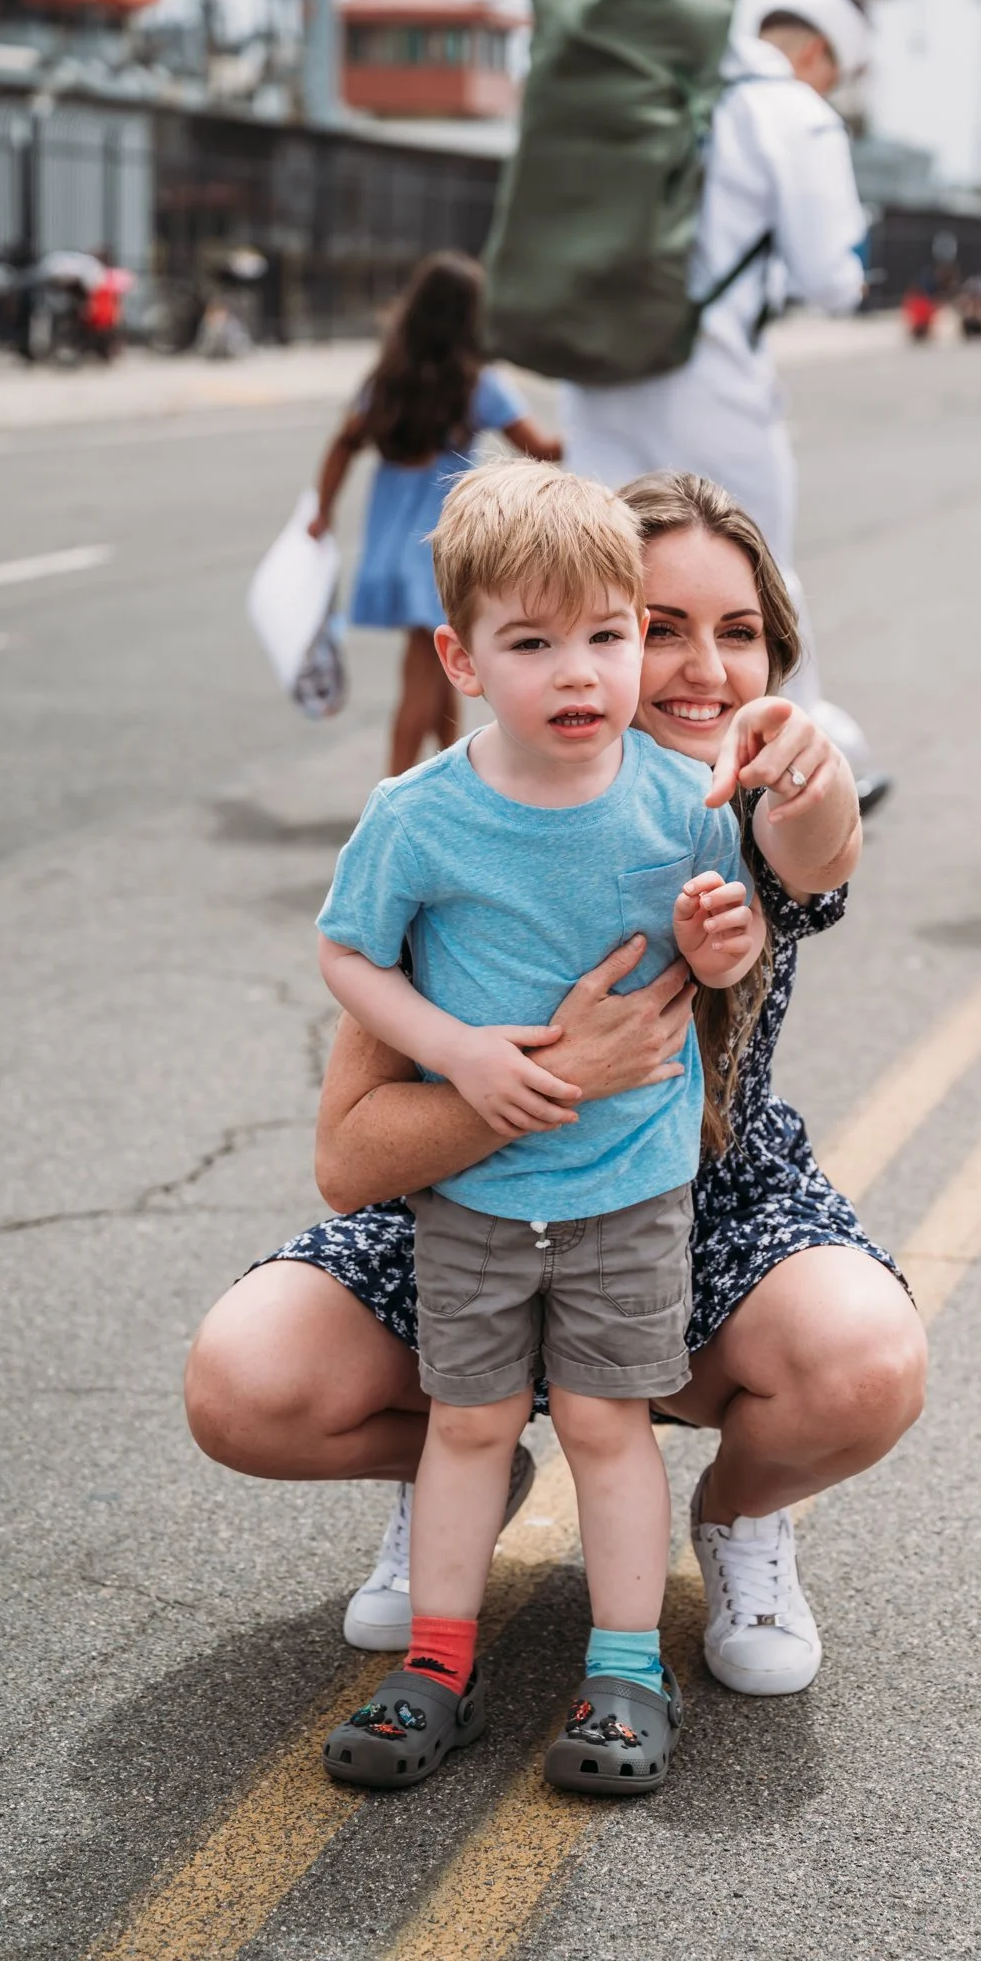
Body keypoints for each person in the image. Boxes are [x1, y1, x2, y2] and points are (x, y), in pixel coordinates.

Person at [184, 471, 926, 1718]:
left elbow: (821, 851)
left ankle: (740, 1520)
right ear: (491, 647)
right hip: (467, 1193)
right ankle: (454, 1476)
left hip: (685, 1203)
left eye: (737, 633)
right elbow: (355, 1157)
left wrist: (815, 772)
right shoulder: (450, 823)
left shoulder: (724, 805)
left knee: (862, 1360)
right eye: (659, 619)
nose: (697, 667)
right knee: (243, 1384)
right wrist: (558, 1075)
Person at [312, 464, 761, 1795]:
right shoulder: (419, 816)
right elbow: (349, 955)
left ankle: (625, 1672)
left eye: (608, 637)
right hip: (478, 1198)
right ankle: (436, 1667)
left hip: (629, 1188)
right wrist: (451, 1052)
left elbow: (721, 949)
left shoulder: (682, 799)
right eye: (533, 643)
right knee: (466, 1424)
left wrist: (719, 940)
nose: (581, 673)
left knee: (608, 1424)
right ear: (460, 658)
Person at [559, 0, 889, 813]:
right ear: (817, 55)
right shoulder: (793, 111)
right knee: (757, 566)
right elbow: (830, 279)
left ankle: (585, 767)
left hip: (596, 361)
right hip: (706, 375)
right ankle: (795, 769)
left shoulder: (656, 88)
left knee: (601, 567)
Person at [308, 252, 561, 776]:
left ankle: (444, 778)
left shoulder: (388, 379)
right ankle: (397, 787)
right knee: (426, 675)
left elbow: (343, 445)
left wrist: (322, 512)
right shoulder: (478, 384)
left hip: (391, 545)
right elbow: (540, 447)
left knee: (445, 668)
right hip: (440, 545)